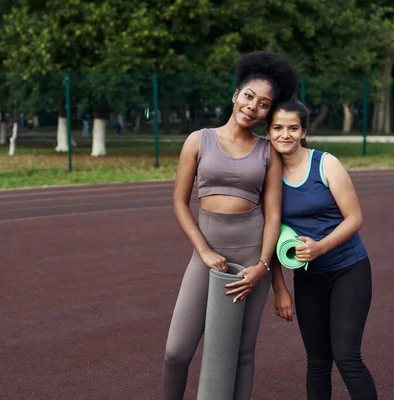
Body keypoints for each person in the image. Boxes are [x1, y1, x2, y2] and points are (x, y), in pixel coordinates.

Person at [163, 50, 298, 400]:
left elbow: (273, 216)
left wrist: (263, 267)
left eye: (264, 104)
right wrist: (204, 251)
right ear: (235, 95)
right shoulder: (199, 139)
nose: (253, 106)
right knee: (176, 351)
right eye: (249, 96)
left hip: (252, 259)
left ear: (269, 112)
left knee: (240, 353)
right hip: (206, 256)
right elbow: (180, 202)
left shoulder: (268, 152)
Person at [267, 100, 377, 400]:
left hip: (348, 269)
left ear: (303, 131)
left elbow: (355, 218)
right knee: (317, 362)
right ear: (269, 132)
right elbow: (268, 235)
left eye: (293, 128)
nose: (285, 134)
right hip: (308, 278)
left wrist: (321, 247)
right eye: (277, 128)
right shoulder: (267, 175)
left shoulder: (325, 163)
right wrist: (280, 289)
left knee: (346, 355)